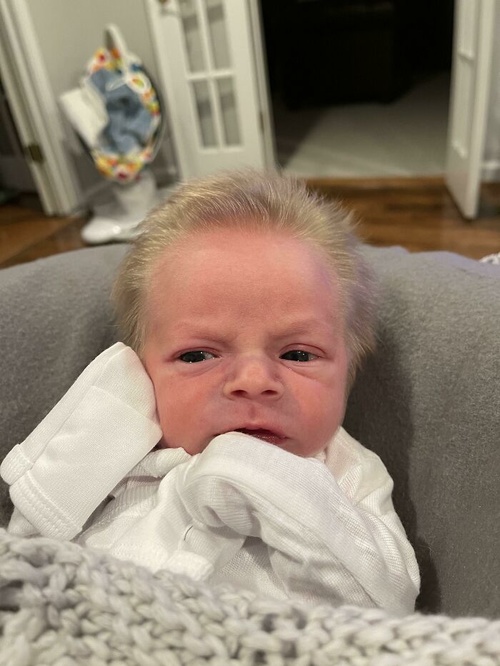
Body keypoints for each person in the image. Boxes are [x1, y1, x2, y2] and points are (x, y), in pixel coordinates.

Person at [1, 170, 420, 614]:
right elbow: (28, 548)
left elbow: (390, 604)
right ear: (143, 373)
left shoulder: (347, 472)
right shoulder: (115, 445)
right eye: (198, 355)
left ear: (348, 374)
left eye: (298, 354)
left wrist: (246, 474)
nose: (253, 380)